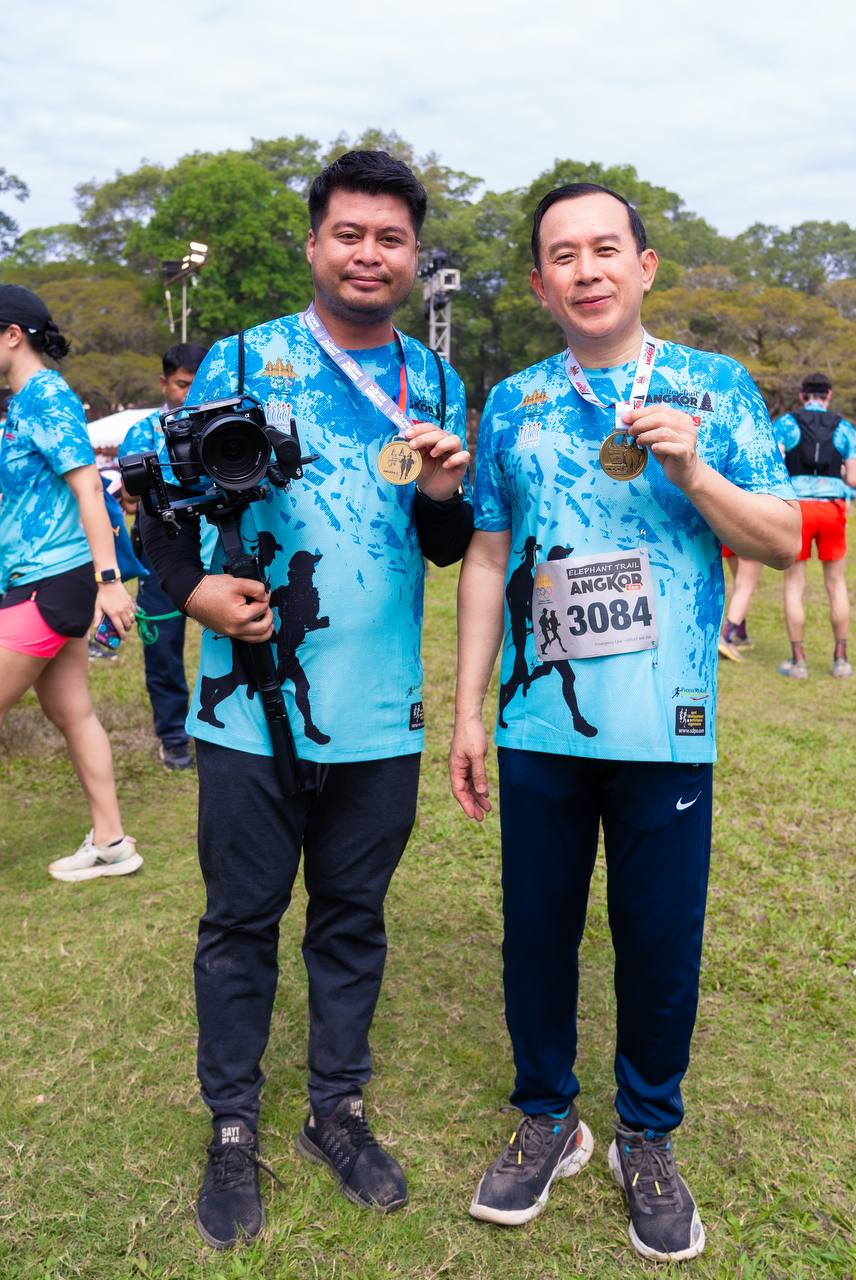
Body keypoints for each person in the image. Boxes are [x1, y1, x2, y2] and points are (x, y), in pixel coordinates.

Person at [449, 183, 799, 1263]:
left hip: (666, 724)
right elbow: (487, 556)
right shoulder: (514, 401)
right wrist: (466, 711)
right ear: (541, 282)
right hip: (539, 718)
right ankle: (548, 1117)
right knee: (536, 933)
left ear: (644, 266)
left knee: (658, 938)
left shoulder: (715, 386)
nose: (586, 269)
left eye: (606, 249)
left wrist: (694, 468)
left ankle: (646, 1133)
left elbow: (783, 536)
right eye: (563, 254)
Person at [139, 150, 472, 1250]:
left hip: (380, 712)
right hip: (247, 706)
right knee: (239, 920)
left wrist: (443, 493)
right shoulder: (241, 359)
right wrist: (192, 592)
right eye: (349, 233)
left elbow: (444, 545)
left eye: (391, 238)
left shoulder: (434, 380)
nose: (369, 254)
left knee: (352, 916)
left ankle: (338, 1108)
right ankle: (232, 1124)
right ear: (314, 243)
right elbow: (154, 502)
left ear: (413, 255)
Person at [0, 285, 141, 881]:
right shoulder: (19, 403)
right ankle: (111, 843)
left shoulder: (47, 396)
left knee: (71, 711)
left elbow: (89, 489)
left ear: (12, 335)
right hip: (34, 579)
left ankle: (111, 841)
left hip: (51, 581)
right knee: (72, 711)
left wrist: (109, 581)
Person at [118, 342, 210, 768]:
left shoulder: (226, 424)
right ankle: (173, 736)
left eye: (198, 384)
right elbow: (130, 497)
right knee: (164, 650)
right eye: (182, 384)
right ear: (164, 383)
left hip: (223, 551)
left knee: (235, 639)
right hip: (161, 557)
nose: (190, 394)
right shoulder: (142, 432)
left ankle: (226, 727)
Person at [772, 373, 856, 679]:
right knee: (836, 583)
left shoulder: (786, 424)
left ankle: (798, 662)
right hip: (831, 508)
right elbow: (853, 479)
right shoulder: (844, 427)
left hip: (798, 510)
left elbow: (773, 465)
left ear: (802, 395)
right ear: (829, 395)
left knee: (794, 584)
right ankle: (841, 660)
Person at [717, 548, 762, 660]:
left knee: (739, 582)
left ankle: (740, 635)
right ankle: (726, 637)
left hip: (732, 539)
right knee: (745, 585)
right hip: (753, 541)